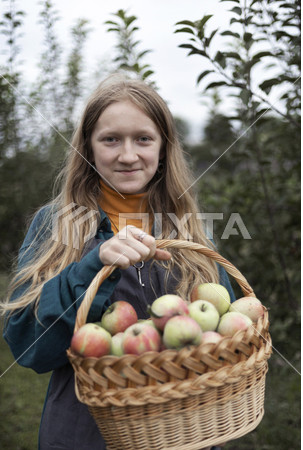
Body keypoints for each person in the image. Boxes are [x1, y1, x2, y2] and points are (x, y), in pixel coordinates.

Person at [1, 74, 234, 450]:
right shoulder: (55, 224)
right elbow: (30, 349)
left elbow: (227, 338)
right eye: (110, 139)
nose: (128, 155)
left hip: (186, 433)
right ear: (88, 149)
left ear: (163, 148)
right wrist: (92, 267)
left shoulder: (186, 229)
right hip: (87, 432)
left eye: (143, 139)